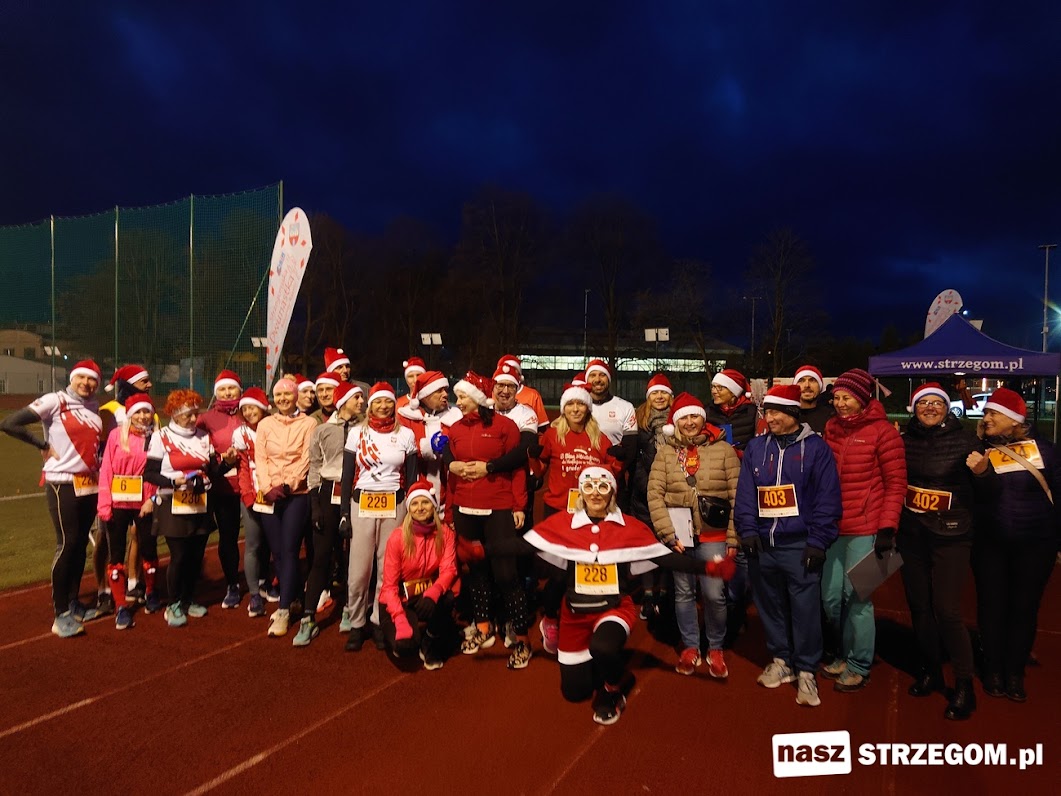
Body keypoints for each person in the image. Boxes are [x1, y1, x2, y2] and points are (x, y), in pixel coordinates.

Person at [520, 466, 732, 724]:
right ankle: (599, 665)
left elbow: (666, 559)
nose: (595, 494)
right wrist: (482, 551)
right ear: (580, 493)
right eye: (589, 487)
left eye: (602, 487)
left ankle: (614, 687)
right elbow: (519, 546)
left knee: (602, 648)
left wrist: (708, 568)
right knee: (575, 692)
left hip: (614, 608)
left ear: (612, 493)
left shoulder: (630, 528)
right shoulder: (563, 524)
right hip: (575, 613)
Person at [735, 384, 842, 708]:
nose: (770, 418)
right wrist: (747, 531)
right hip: (763, 544)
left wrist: (818, 542)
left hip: (800, 545)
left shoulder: (817, 449)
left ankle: (806, 669)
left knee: (805, 609)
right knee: (769, 605)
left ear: (794, 413)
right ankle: (781, 659)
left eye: (777, 412)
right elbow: (745, 494)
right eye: (767, 412)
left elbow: (827, 499)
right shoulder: (756, 447)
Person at [967, 387, 1060, 703]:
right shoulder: (979, 451)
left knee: (1024, 608)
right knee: (991, 606)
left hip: (1036, 546)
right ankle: (993, 669)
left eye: (993, 413)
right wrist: (980, 474)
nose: (986, 418)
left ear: (1014, 419)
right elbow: (977, 498)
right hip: (990, 546)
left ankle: (1015, 671)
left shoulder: (1046, 451)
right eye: (986, 413)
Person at [1, 360, 105, 637]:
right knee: (67, 544)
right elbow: (9, 423)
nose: (86, 383)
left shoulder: (93, 407)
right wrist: (43, 445)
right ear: (72, 378)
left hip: (88, 485)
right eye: (82, 377)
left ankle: (73, 603)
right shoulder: (55, 400)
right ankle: (60, 614)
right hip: (62, 483)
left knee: (80, 544)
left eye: (92, 380)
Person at [898, 383, 981, 719]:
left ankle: (964, 685)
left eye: (937, 403)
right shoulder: (904, 440)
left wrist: (984, 472)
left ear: (947, 408)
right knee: (919, 607)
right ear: (914, 408)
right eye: (923, 403)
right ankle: (931, 670)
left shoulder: (966, 441)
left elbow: (987, 490)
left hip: (951, 534)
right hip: (912, 533)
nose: (930, 408)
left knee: (947, 610)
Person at [822, 368, 906, 692]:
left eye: (848, 398)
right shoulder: (831, 428)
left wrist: (887, 527)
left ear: (863, 398)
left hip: (868, 527)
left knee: (858, 595)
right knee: (831, 597)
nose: (841, 403)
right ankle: (843, 652)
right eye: (837, 397)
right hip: (833, 527)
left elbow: (896, 483)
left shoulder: (884, 432)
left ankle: (859, 664)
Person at [647, 392, 741, 678]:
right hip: (679, 538)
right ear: (675, 422)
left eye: (694, 416)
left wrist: (733, 536)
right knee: (684, 593)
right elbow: (654, 494)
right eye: (683, 417)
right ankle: (690, 646)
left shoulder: (723, 450)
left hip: (715, 536)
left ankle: (715, 646)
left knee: (714, 595)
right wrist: (666, 533)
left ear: (703, 418)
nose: (689, 422)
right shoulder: (665, 453)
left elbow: (738, 495)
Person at [445, 372, 532, 668]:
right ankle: (483, 627)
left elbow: (518, 468)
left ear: (478, 399)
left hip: (498, 507)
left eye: (462, 397)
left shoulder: (505, 427)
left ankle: (521, 637)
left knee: (506, 574)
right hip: (464, 509)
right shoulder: (455, 429)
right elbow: (451, 475)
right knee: (476, 571)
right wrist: (450, 510)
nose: (458, 402)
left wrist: (519, 506)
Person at [533, 382, 620, 653]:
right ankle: (550, 617)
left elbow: (612, 469)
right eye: (570, 404)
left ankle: (579, 619)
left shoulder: (599, 438)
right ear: (563, 408)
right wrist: (532, 458)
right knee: (559, 573)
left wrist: (618, 463)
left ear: (587, 408)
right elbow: (539, 467)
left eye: (580, 404)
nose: (575, 409)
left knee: (582, 571)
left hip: (588, 513)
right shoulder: (552, 435)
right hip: (558, 512)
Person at [145, 389, 233, 627]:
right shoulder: (161, 437)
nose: (194, 419)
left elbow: (213, 471)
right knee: (179, 555)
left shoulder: (203, 437)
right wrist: (173, 481)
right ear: (174, 413)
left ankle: (188, 597)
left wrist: (228, 463)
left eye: (196, 413)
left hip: (201, 502)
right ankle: (173, 603)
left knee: (195, 555)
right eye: (188, 414)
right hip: (173, 503)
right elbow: (149, 473)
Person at [341, 381, 418, 651]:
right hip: (361, 504)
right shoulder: (356, 433)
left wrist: (411, 511)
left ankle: (378, 620)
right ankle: (356, 623)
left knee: (388, 569)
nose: (383, 406)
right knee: (359, 571)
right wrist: (344, 513)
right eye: (378, 402)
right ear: (370, 406)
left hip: (395, 505)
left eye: (388, 402)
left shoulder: (406, 435)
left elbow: (411, 476)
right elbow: (347, 475)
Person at [295, 381, 364, 646]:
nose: (362, 402)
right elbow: (315, 467)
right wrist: (315, 504)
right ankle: (308, 617)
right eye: (357, 398)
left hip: (356, 494)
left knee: (352, 556)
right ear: (343, 401)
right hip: (328, 493)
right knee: (322, 556)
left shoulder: (365, 428)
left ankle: (349, 608)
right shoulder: (322, 430)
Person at [254, 377, 317, 637]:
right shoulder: (265, 424)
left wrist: (289, 484)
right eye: (278, 395)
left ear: (295, 397)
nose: (282, 399)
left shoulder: (309, 423)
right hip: (269, 494)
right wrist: (267, 486)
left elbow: (307, 457)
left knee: (290, 550)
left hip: (296, 494)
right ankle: (296, 596)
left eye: (287, 394)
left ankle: (282, 610)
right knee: (278, 553)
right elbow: (260, 458)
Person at [378, 480, 459, 669]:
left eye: (425, 502)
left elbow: (449, 570)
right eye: (414, 503)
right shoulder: (397, 537)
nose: (420, 508)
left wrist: (434, 591)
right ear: (409, 508)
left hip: (425, 594)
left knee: (447, 598)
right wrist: (399, 618)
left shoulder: (445, 533)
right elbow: (389, 587)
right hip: (399, 600)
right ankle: (397, 629)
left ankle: (429, 640)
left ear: (433, 505)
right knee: (405, 646)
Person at [98, 393, 160, 629]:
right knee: (116, 554)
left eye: (147, 412)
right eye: (138, 412)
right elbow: (106, 470)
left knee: (149, 549)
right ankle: (121, 606)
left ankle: (151, 592)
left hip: (145, 504)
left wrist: (152, 499)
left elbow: (159, 471)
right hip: (118, 504)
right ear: (130, 415)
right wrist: (105, 504)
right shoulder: (116, 435)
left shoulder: (157, 437)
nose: (143, 416)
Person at [196, 370, 245, 609]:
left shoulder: (249, 412)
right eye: (222, 389)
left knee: (245, 537)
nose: (227, 393)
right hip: (217, 487)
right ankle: (227, 583)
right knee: (216, 536)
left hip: (247, 486)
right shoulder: (205, 419)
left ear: (239, 390)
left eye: (231, 388)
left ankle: (256, 581)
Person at [629, 373, 674, 619]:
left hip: (673, 495)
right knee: (647, 546)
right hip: (644, 493)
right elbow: (635, 461)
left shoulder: (679, 418)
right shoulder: (639, 420)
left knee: (669, 544)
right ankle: (648, 594)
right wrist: (650, 488)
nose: (659, 396)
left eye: (663, 392)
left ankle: (664, 593)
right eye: (654, 392)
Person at [232, 387, 272, 618]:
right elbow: (243, 467)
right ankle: (255, 594)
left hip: (274, 492)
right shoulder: (241, 433)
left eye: (252, 407)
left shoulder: (275, 426)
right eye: (244, 408)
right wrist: (248, 494)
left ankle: (268, 582)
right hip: (252, 494)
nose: (248, 412)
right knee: (253, 544)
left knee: (273, 543)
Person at [397, 370, 463, 504]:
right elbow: (400, 451)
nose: (445, 394)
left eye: (445, 390)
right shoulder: (407, 417)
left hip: (449, 490)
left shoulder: (456, 417)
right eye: (439, 391)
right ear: (425, 395)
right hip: (416, 490)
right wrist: (428, 447)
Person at [584, 358, 638, 471]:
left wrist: (615, 472)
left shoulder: (625, 407)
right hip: (583, 468)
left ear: (609, 379)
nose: (597, 379)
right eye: (593, 375)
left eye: (602, 375)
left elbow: (630, 449)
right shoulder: (578, 407)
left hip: (614, 471)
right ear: (587, 379)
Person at [497, 354, 549, 431]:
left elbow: (542, 427)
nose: (505, 391)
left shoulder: (532, 395)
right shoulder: (493, 394)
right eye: (501, 385)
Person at [793, 364, 833, 434]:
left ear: (820, 386)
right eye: (801, 380)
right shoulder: (787, 416)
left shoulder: (831, 417)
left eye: (812, 380)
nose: (807, 385)